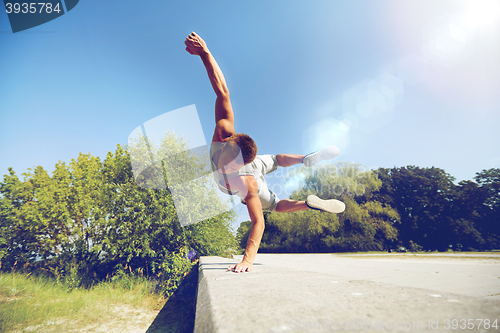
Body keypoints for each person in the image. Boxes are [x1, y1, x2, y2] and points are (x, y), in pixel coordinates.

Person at [185, 32, 345, 273]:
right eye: (229, 163)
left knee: (274, 205)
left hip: (252, 176)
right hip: (256, 163)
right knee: (276, 162)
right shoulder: (223, 130)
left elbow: (258, 222)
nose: (227, 168)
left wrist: (247, 259)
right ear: (228, 141)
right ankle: (306, 177)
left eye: (233, 166)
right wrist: (205, 53)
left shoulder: (244, 181)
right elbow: (222, 90)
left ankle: (307, 180)